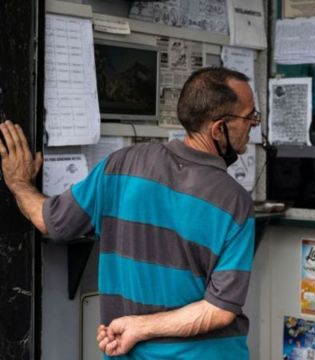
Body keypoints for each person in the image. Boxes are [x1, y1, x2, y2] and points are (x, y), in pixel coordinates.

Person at [0, 67, 260, 359]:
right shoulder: (234, 202)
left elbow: (50, 222)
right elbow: (219, 309)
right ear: (218, 128)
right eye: (249, 116)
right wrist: (140, 327)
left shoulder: (120, 165)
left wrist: (19, 183)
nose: (253, 124)